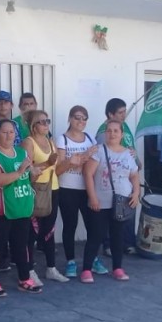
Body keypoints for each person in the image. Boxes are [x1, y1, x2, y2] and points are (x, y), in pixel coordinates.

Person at [0, 120, 42, 297]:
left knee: (22, 245)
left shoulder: (22, 152)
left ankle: (25, 279)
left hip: (21, 206)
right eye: (5, 132)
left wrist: (34, 172)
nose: (9, 136)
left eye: (12, 132)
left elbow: (28, 178)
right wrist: (21, 172)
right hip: (0, 209)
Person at [82, 120, 139, 283]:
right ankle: (86, 269)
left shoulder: (128, 154)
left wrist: (136, 193)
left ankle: (118, 268)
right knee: (96, 235)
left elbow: (134, 175)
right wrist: (92, 197)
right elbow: (88, 174)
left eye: (116, 131)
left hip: (122, 202)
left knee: (117, 236)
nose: (112, 134)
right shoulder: (99, 151)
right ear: (105, 133)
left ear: (121, 134)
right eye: (109, 131)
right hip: (101, 201)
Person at [55, 106, 104, 278]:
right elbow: (58, 169)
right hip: (68, 189)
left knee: (93, 226)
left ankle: (93, 258)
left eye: (84, 118)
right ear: (69, 118)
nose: (81, 122)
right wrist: (77, 159)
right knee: (70, 225)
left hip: (87, 188)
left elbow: (95, 163)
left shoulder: (90, 138)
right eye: (77, 118)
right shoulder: (62, 140)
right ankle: (70, 261)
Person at [21, 110, 68, 284]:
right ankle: (29, 269)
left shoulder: (51, 141)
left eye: (47, 120)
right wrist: (46, 163)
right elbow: (26, 169)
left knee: (49, 230)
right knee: (32, 231)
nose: (46, 124)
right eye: (41, 121)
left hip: (52, 188)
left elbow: (55, 168)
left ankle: (51, 268)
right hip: (36, 189)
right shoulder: (28, 142)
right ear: (33, 126)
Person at [96, 98, 140, 255]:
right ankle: (109, 244)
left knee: (127, 209)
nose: (124, 115)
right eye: (120, 112)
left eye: (124, 111)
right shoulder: (103, 131)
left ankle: (127, 242)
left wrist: (137, 161)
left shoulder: (124, 126)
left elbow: (130, 146)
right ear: (110, 114)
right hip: (110, 180)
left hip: (127, 175)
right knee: (111, 212)